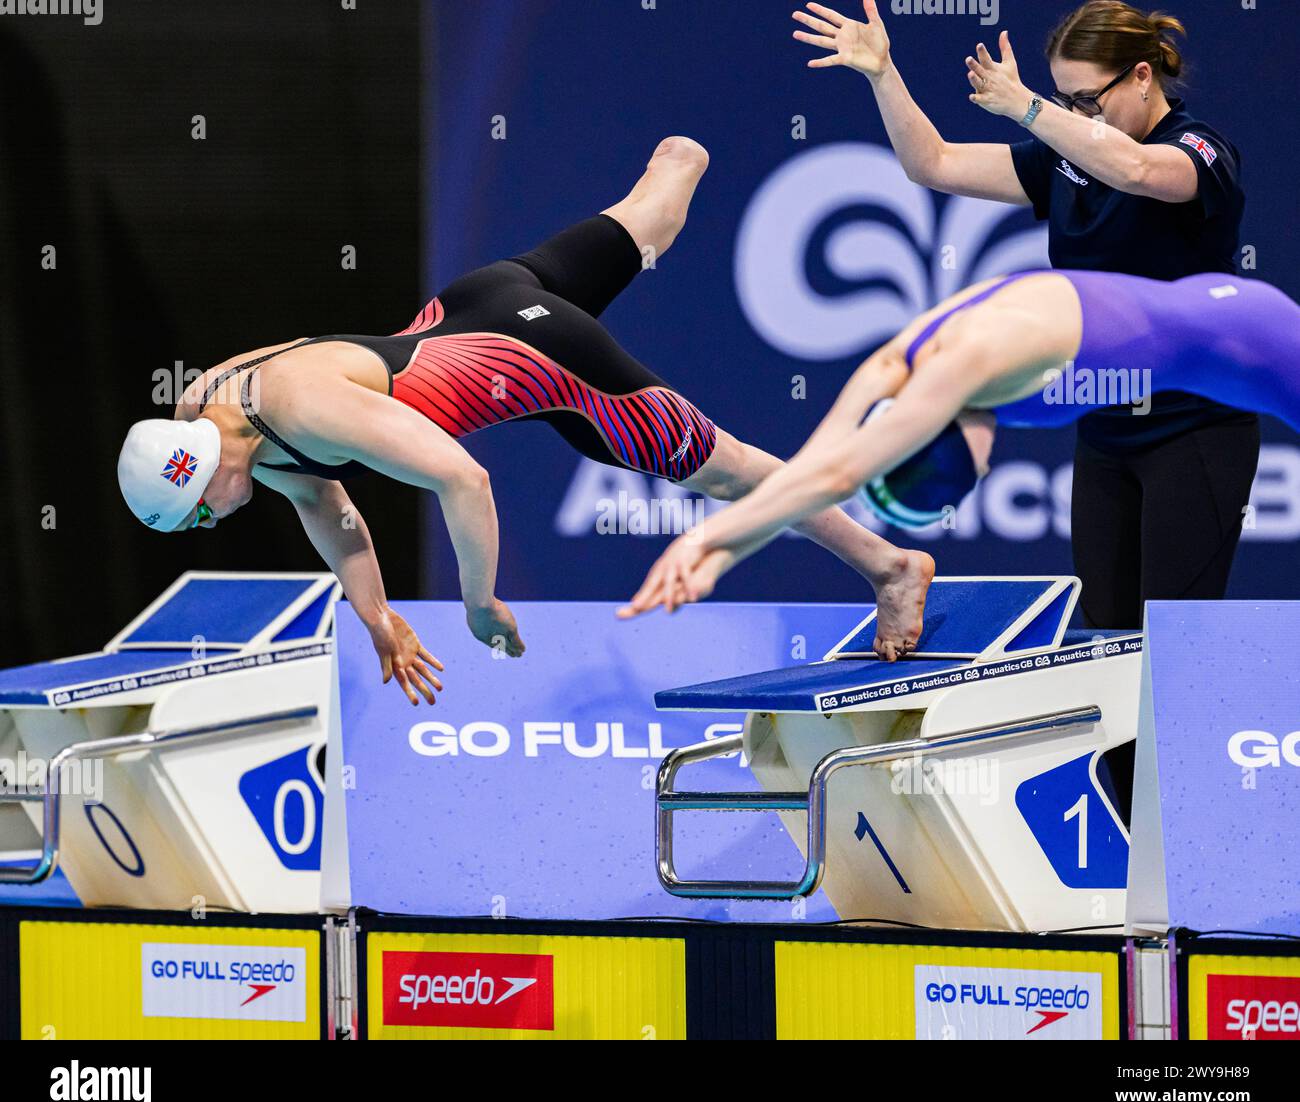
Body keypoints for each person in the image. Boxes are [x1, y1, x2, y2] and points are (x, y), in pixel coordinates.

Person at [117, 138, 935, 704]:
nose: (209, 523)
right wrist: (379, 618)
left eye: (198, 513)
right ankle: (680, 159)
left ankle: (889, 565)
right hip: (480, 299)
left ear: (203, 473)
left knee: (731, 470)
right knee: (651, 212)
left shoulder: (302, 409)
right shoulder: (211, 402)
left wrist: (479, 601)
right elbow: (332, 511)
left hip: (541, 360)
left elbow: (462, 477)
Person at [792, 0, 1257, 629]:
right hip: (1105, 428)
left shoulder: (1200, 149)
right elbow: (932, 163)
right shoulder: (1063, 160)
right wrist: (883, 73)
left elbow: (1139, 170)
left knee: (1175, 639)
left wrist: (1029, 108)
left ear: (1143, 77)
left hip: (1195, 429)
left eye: (1088, 100)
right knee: (1106, 638)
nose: (1076, 116)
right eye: (1065, 100)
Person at [621, 267, 1299, 617]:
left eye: (971, 472)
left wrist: (700, 539)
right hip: (1210, 356)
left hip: (1250, 337)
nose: (988, 463)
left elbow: (836, 480)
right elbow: (811, 471)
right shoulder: (890, 369)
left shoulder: (974, 359)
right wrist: (723, 555)